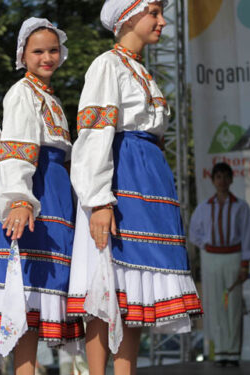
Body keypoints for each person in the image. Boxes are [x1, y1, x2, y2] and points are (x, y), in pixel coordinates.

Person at [67, 1, 202, 374]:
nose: (161, 20)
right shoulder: (107, 66)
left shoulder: (141, 71)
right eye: (154, 12)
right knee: (105, 282)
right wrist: (98, 200)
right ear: (128, 16)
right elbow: (94, 134)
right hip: (120, 180)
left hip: (149, 181)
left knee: (134, 289)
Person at [0, 17, 84, 375]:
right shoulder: (22, 93)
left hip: (57, 196)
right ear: (23, 56)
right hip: (36, 193)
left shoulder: (51, 99)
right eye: (38, 51)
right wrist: (19, 198)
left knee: (45, 298)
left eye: (53, 50)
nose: (47, 57)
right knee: (26, 298)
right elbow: (17, 149)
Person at [189, 162, 250, 367]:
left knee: (233, 304)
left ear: (231, 179)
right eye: (218, 177)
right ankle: (220, 351)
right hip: (211, 258)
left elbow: (247, 235)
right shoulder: (203, 208)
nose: (221, 181)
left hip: (233, 256)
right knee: (215, 304)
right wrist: (206, 245)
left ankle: (233, 352)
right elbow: (194, 233)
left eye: (225, 177)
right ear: (213, 181)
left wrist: (245, 264)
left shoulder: (240, 206)